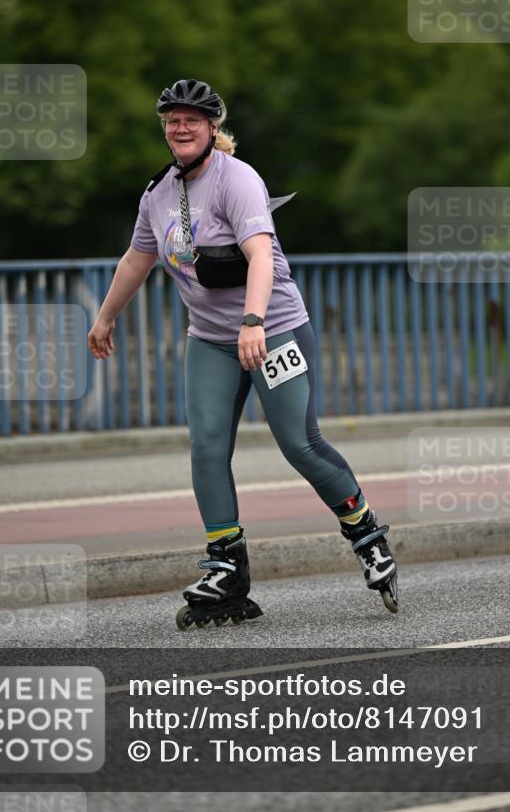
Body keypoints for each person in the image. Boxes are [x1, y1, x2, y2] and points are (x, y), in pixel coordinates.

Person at [87, 78, 398, 629]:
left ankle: (365, 531)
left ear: (211, 129)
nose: (180, 128)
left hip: (273, 329)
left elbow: (258, 256)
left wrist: (254, 322)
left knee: (299, 444)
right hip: (209, 339)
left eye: (192, 120)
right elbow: (137, 260)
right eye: (171, 120)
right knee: (207, 448)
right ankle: (226, 567)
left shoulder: (239, 180)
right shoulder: (158, 195)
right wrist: (106, 316)